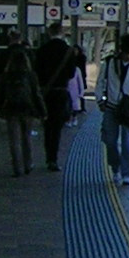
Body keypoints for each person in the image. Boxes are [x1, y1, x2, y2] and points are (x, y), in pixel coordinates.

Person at [97, 34, 129, 184]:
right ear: (121, 50)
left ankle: (127, 173)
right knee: (110, 141)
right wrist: (100, 100)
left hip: (128, 110)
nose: (128, 56)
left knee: (127, 142)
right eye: (127, 52)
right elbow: (100, 82)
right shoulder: (109, 63)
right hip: (111, 107)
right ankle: (115, 167)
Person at [33, 21, 78, 170]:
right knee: (57, 127)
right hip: (61, 92)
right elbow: (71, 74)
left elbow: (36, 72)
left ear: (49, 33)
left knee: (47, 125)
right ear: (62, 32)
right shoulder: (68, 51)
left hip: (46, 92)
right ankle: (54, 159)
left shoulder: (41, 50)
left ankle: (48, 157)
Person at [0, 39, 41, 176]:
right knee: (26, 138)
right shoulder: (31, 76)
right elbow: (36, 94)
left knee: (14, 141)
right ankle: (28, 164)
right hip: (27, 108)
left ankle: (17, 168)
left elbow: (0, 94)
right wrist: (42, 110)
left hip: (11, 109)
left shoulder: (6, 76)